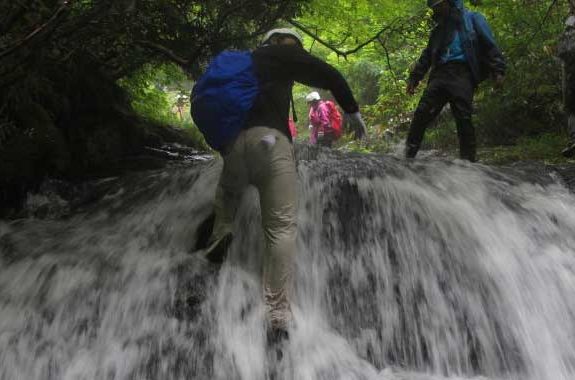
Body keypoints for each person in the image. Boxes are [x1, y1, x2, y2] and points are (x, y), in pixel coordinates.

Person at [201, 28, 367, 338]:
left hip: (234, 147)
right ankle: (276, 312)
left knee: (228, 192)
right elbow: (330, 74)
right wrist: (352, 110)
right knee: (279, 227)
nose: (296, 51)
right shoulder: (282, 55)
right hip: (270, 143)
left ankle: (220, 233)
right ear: (282, 42)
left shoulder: (247, 63)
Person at [405, 0, 506, 162]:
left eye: (438, 5)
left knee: (463, 117)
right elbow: (427, 56)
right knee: (422, 113)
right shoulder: (438, 31)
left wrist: (498, 70)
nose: (436, 10)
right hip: (440, 74)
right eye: (433, 7)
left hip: (463, 73)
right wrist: (414, 78)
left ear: (448, 3)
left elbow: (489, 44)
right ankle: (407, 156)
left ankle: (468, 163)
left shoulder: (473, 19)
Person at [559, 0, 575, 157]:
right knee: (570, 106)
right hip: (570, 71)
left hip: (570, 69)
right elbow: (564, 52)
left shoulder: (569, 25)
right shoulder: (569, 24)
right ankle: (573, 140)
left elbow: (564, 51)